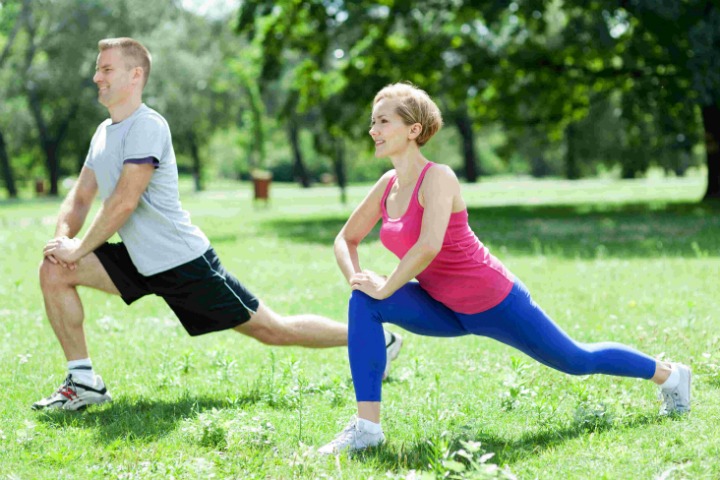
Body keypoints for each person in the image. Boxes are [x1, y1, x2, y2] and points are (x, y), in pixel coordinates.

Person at [318, 82, 691, 454]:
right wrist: (359, 280)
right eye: (373, 122)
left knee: (577, 360)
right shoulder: (387, 185)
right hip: (442, 306)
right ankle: (367, 430)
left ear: (413, 130)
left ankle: (671, 375)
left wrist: (386, 286)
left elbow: (428, 245)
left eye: (383, 121)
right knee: (363, 301)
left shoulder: (439, 177)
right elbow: (345, 239)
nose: (373, 130)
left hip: (493, 301)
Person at [34, 37, 402, 411]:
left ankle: (377, 339)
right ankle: (83, 383)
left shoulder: (147, 126)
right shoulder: (102, 134)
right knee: (54, 271)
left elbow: (123, 203)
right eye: (98, 68)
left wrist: (79, 249)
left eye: (106, 69)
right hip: (138, 258)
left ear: (135, 75)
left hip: (181, 262)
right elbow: (80, 198)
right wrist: (61, 243)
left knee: (273, 330)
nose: (96, 76)